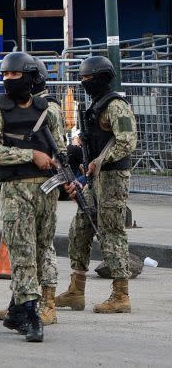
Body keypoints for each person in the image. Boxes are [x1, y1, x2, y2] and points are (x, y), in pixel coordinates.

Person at [0, 52, 66, 343]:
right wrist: (30, 155)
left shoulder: (48, 110)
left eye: (15, 75)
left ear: (30, 77)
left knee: (43, 250)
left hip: (47, 191)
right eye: (5, 75)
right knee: (23, 254)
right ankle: (31, 315)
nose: (8, 80)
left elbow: (60, 149)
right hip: (16, 191)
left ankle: (17, 309)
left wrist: (66, 175)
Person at [55, 56, 137, 315]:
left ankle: (121, 294)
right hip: (95, 178)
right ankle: (76, 291)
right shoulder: (96, 106)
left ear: (101, 78)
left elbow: (126, 141)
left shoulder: (116, 105)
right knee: (80, 228)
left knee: (111, 232)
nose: (84, 82)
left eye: (88, 78)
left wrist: (99, 161)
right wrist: (85, 159)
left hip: (113, 178)